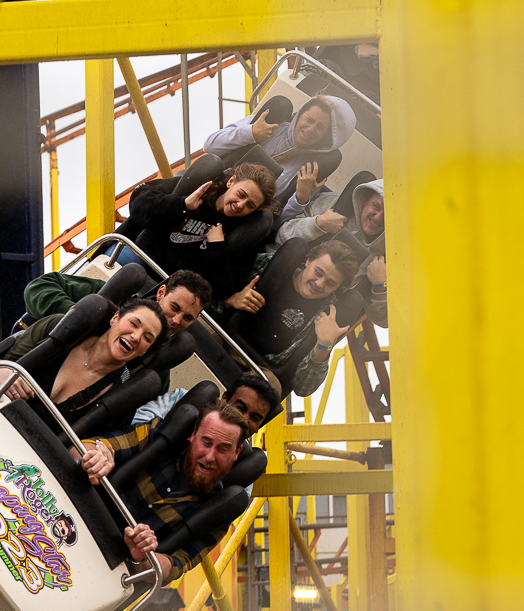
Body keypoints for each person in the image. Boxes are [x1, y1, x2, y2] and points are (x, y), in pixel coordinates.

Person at [85, 398, 250, 582]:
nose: (210, 456)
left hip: (108, 572)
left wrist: (143, 556)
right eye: (206, 442)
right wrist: (94, 458)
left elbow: (173, 567)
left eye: (223, 449)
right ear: (193, 434)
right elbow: (84, 447)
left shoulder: (217, 515)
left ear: (236, 453)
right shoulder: (157, 436)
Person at [0, 297, 169, 443]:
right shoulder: (59, 328)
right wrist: (1, 371)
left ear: (145, 351)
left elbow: (95, 444)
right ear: (115, 317)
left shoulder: (124, 391)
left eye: (147, 338)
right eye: (134, 323)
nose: (136, 337)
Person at [221, 240, 359, 397]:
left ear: (337, 287)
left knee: (272, 389)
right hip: (222, 338)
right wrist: (230, 301)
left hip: (259, 371)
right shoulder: (270, 265)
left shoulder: (328, 317)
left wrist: (324, 345)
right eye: (318, 272)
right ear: (308, 260)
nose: (319, 284)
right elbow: (205, 301)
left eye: (330, 283)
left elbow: (303, 388)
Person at [125, 162, 276, 296]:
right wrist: (182, 204)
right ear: (231, 181)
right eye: (241, 194)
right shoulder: (196, 189)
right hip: (140, 257)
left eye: (250, 205)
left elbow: (226, 287)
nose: (240, 204)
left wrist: (216, 246)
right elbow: (138, 204)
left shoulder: (242, 234)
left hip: (173, 288)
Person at [203, 95, 356, 212]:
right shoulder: (269, 124)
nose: (310, 129)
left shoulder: (311, 171)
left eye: (320, 127)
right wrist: (251, 133)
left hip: (244, 215)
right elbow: (209, 146)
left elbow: (275, 223)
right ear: (300, 115)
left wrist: (300, 199)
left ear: (326, 138)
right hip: (213, 189)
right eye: (309, 119)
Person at [275, 177, 387, 328]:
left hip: (318, 315)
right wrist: (318, 224)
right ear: (365, 199)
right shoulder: (335, 203)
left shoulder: (392, 255)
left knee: (353, 301)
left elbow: (383, 320)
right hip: (281, 279)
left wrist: (380, 287)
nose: (378, 217)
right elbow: (282, 237)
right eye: (376, 206)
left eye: (388, 215)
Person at [23, 268, 213, 338]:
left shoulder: (161, 361)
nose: (177, 320)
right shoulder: (115, 296)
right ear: (161, 293)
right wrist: (75, 314)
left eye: (188, 318)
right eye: (174, 307)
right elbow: (38, 287)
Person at [132, 374, 280, 436]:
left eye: (255, 418)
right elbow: (137, 422)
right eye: (240, 407)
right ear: (225, 397)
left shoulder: (242, 469)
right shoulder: (185, 399)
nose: (243, 418)